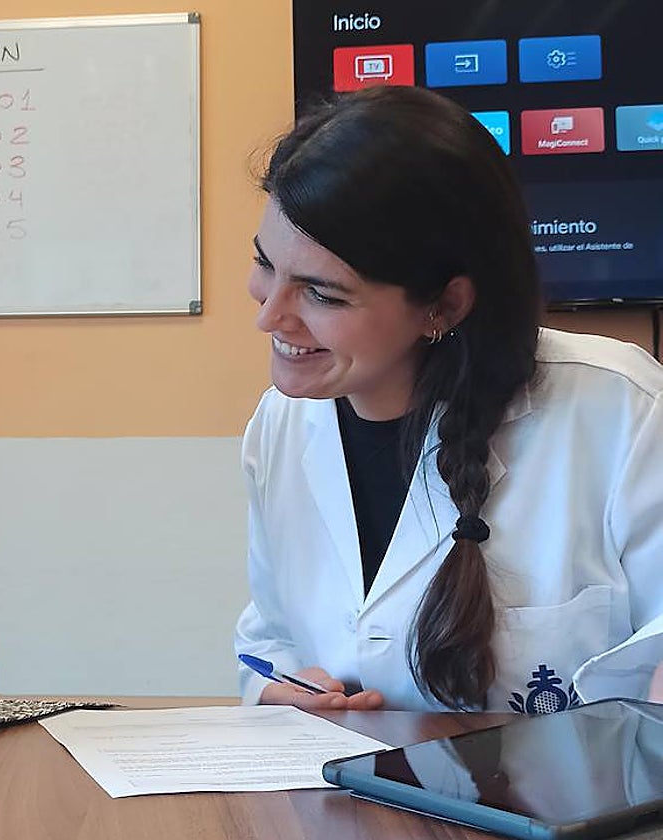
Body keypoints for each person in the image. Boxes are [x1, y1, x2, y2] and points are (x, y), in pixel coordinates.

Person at [234, 85, 663, 712]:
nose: (270, 317)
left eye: (322, 294)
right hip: (345, 800)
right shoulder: (281, 425)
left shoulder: (619, 409)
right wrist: (281, 689)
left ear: (444, 305)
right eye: (265, 264)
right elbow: (269, 639)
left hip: (571, 805)